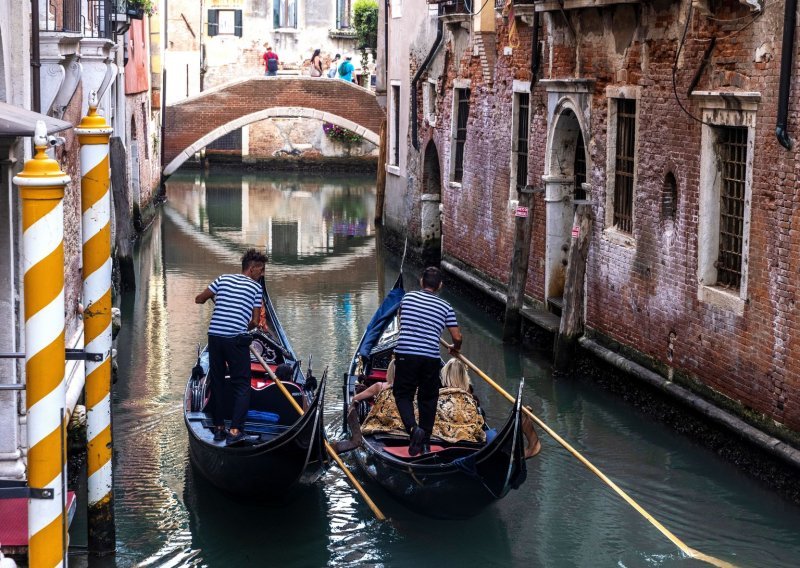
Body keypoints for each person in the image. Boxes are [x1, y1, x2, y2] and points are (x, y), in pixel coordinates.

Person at [195, 248, 267, 445]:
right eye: (261, 271)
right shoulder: (255, 288)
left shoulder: (222, 279)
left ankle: (219, 429)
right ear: (252, 268)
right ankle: (235, 431)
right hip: (235, 339)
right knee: (242, 384)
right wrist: (244, 326)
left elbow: (199, 299)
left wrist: (213, 298)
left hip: (215, 337)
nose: (262, 275)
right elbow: (253, 321)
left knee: (216, 382)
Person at [394, 266, 462, 456]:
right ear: (440, 285)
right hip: (430, 358)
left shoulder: (407, 298)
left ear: (421, 281)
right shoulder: (446, 307)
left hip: (406, 353)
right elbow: (457, 337)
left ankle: (413, 429)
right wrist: (454, 348)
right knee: (428, 399)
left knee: (403, 395)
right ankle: (425, 445)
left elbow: (402, 321)